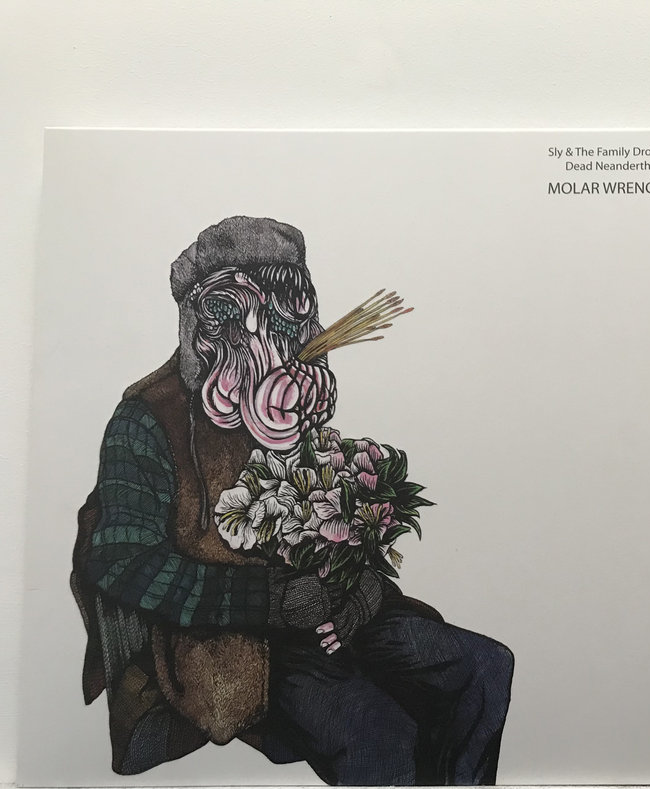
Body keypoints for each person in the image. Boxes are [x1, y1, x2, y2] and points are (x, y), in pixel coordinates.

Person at [70, 216, 513, 785]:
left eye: (296, 312)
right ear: (220, 318)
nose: (294, 337)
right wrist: (271, 600)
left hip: (333, 613)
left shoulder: (286, 395)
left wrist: (363, 590)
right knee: (378, 735)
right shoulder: (145, 419)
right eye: (270, 313)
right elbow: (119, 562)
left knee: (483, 669)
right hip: (238, 642)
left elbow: (334, 521)